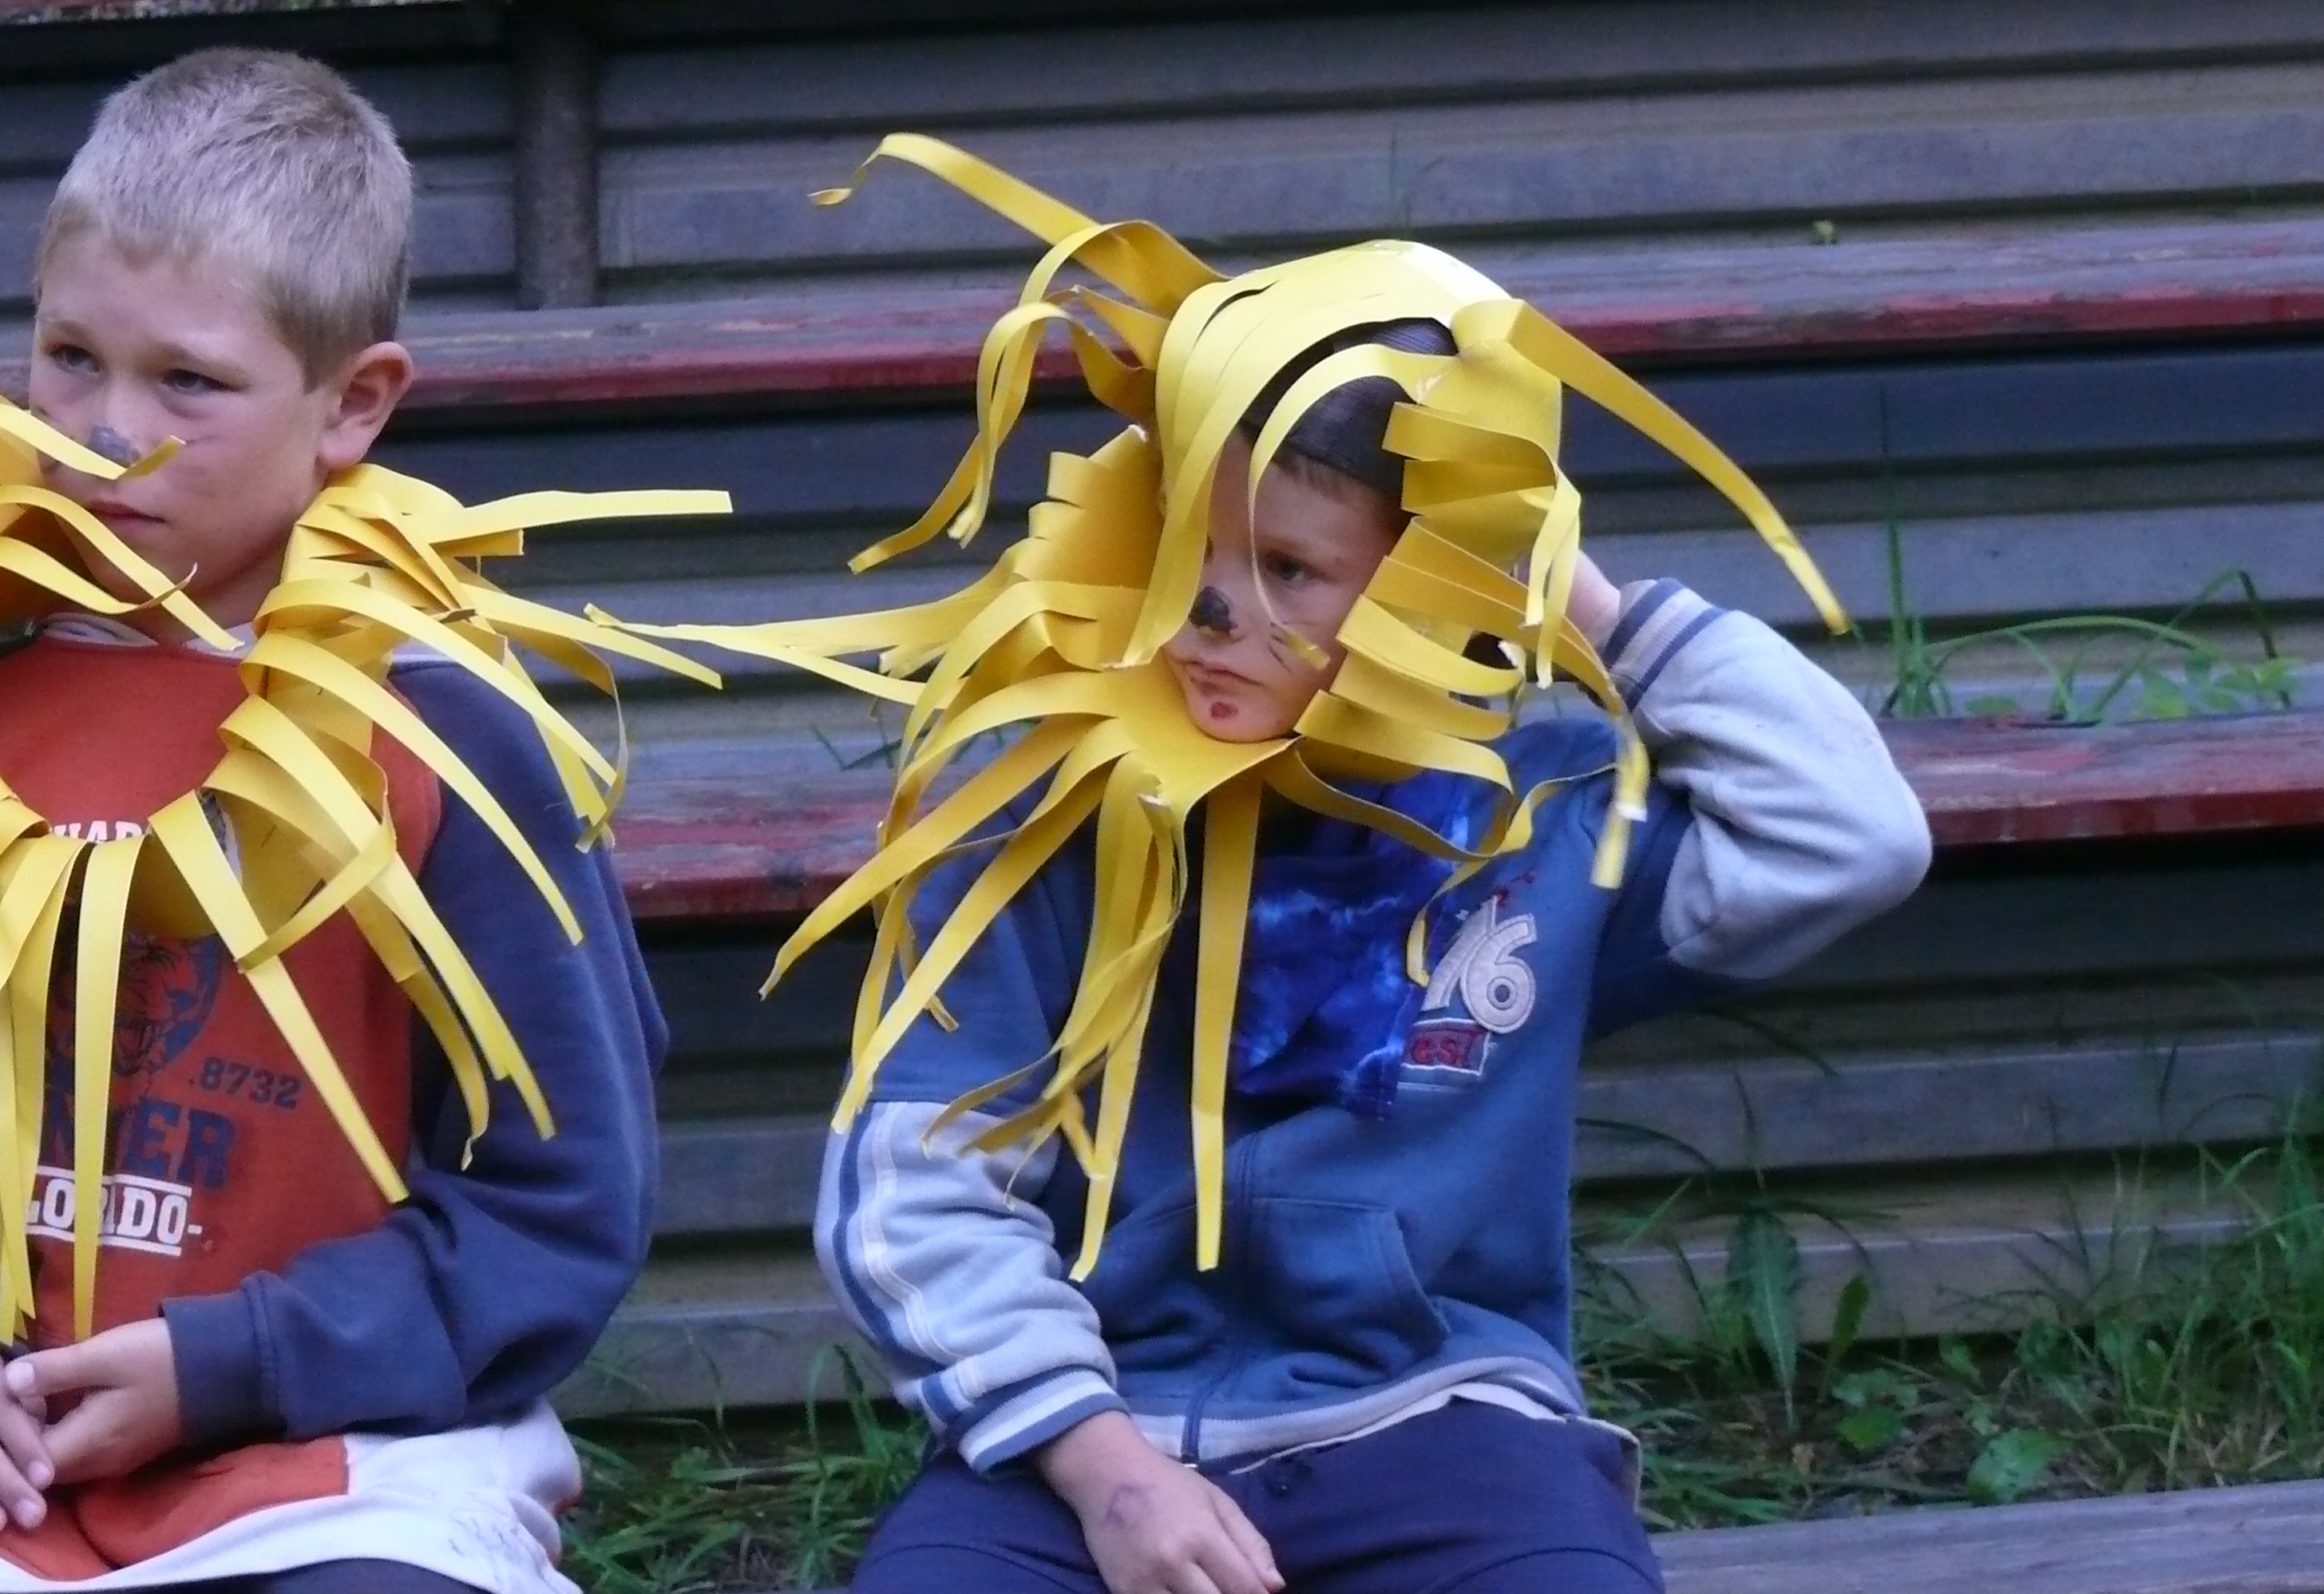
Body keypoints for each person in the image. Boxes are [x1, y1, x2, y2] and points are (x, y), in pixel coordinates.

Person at [678, 137, 1933, 1594]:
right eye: (1190, 549)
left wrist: (1568, 588)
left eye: (1289, 569)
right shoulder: (1042, 808)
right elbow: (916, 1191)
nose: (1210, 613)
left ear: (1430, 588)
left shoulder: (1542, 817)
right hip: (1088, 1435)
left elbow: (1850, 838)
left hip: (1442, 1419)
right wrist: (1106, 1473)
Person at [0, 50, 705, 1594]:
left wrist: (236, 1363)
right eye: (70, 358)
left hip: (344, 1470)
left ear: (354, 405)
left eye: (188, 384)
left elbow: (559, 1199)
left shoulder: (450, 742)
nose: (104, 432)